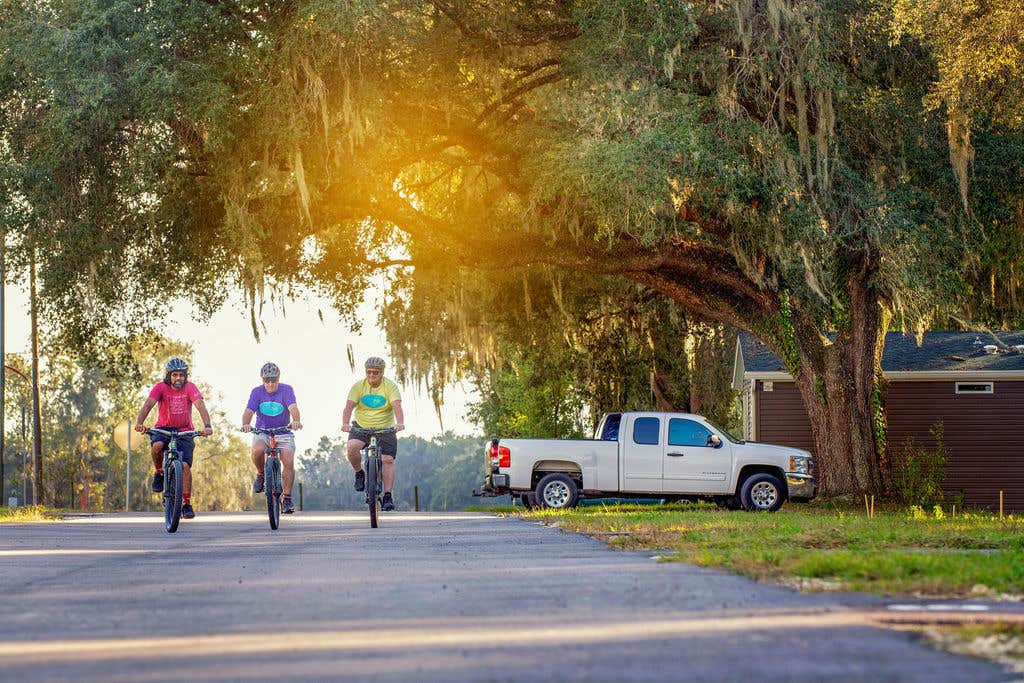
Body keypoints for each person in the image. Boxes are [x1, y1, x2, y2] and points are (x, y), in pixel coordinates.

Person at [134, 358, 214, 519]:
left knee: (184, 466)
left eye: (182, 375)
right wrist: (139, 423)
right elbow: (148, 404)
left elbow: (200, 406)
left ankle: (186, 504)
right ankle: (159, 472)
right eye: (175, 375)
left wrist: (207, 425)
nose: (178, 378)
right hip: (163, 428)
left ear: (186, 376)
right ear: (169, 375)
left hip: (185, 431)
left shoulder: (190, 387)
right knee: (156, 446)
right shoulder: (160, 387)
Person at [342, 356, 404, 511]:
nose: (371, 376)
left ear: (382, 372)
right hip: (362, 427)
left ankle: (388, 496)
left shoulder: (390, 386)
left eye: (375, 373)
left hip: (385, 429)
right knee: (351, 447)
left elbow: (396, 406)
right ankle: (359, 473)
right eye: (368, 372)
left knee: (387, 460)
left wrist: (400, 422)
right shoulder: (358, 386)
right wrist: (345, 423)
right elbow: (348, 407)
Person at [241, 362, 302, 513]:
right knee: (257, 451)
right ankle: (261, 474)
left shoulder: (286, 389)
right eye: (266, 380)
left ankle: (287, 498)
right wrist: (245, 424)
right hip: (262, 431)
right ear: (263, 380)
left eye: (273, 380)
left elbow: (293, 407)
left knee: (288, 460)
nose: (270, 383)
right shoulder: (257, 392)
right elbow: (249, 411)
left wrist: (296, 421)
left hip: (283, 431)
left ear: (278, 379)